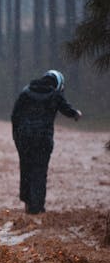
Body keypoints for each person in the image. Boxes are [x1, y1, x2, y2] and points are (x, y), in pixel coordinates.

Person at [11, 70, 82, 214]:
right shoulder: (55, 95)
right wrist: (76, 113)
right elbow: (67, 109)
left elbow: (15, 116)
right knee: (39, 171)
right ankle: (37, 208)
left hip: (24, 137)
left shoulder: (26, 91)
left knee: (26, 169)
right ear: (58, 84)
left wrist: (17, 138)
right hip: (43, 139)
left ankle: (27, 202)